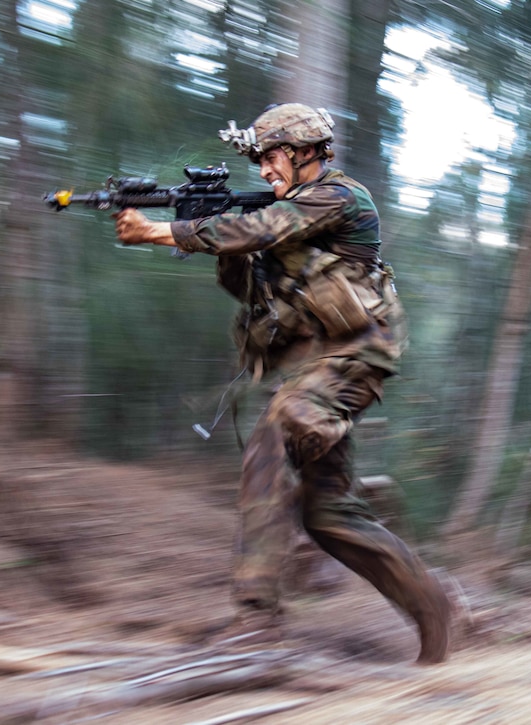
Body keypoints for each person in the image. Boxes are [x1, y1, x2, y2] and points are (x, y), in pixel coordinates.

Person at [113, 103, 453, 662]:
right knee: (329, 515)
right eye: (261, 159)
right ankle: (431, 606)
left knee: (272, 439)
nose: (265, 168)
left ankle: (256, 620)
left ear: (301, 152)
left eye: (271, 156)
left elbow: (267, 227)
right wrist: (207, 229)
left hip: (356, 355)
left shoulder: (340, 197)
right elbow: (250, 290)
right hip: (314, 366)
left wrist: (161, 231)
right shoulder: (279, 213)